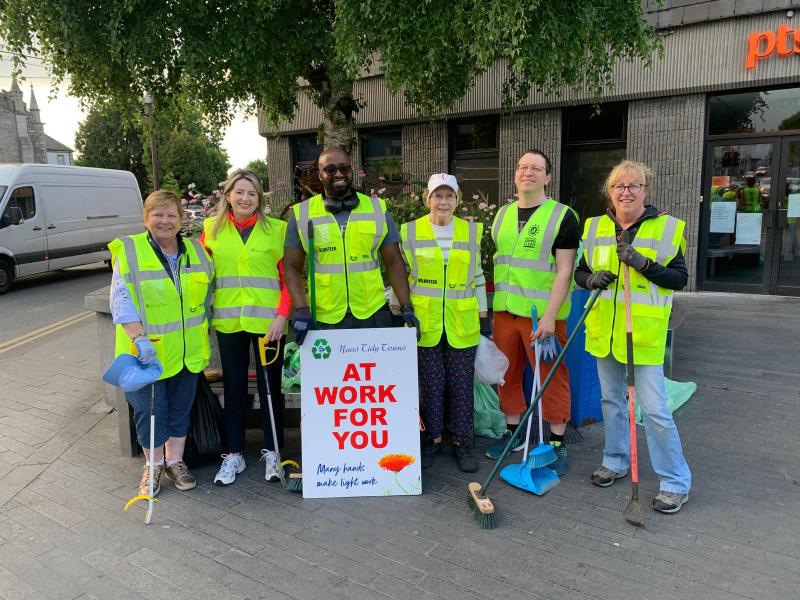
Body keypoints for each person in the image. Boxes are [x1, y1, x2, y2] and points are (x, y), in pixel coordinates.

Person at [575, 159, 692, 514]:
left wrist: (643, 264)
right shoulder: (594, 227)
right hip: (605, 334)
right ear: (609, 192)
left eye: (633, 185)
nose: (626, 192)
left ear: (645, 190)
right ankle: (614, 460)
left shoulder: (667, 228)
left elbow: (679, 279)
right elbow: (580, 272)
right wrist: (591, 280)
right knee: (611, 403)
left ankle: (674, 482)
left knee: (655, 410)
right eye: (619, 186)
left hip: (643, 335)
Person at [109, 190, 214, 497]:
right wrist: (138, 337)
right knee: (150, 411)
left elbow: (208, 297)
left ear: (181, 220)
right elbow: (121, 298)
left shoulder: (197, 252)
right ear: (146, 218)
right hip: (147, 353)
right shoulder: (130, 251)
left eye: (171, 215)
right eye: (158, 214)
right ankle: (153, 466)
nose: (165, 221)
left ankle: (176, 462)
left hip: (187, 351)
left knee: (180, 410)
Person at [484, 149, 579, 476]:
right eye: (523, 167)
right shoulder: (501, 216)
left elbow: (565, 271)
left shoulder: (562, 216)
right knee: (506, 374)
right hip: (506, 313)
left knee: (551, 375)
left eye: (536, 168)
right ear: (515, 174)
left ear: (547, 177)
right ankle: (513, 433)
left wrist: (552, 316)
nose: (528, 172)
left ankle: (555, 440)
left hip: (543, 317)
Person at [200, 170, 292, 486]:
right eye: (239, 192)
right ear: (228, 195)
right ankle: (234, 454)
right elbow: (201, 276)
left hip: (269, 324)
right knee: (235, 390)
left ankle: (273, 451)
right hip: (228, 323)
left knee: (270, 389)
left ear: (260, 198)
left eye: (252, 193)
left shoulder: (277, 230)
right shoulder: (210, 230)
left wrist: (282, 316)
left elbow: (288, 278)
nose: (245, 198)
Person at [394, 173, 488, 473]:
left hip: (462, 323)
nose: (443, 201)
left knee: (461, 386)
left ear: (457, 200)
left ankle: (463, 444)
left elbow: (477, 277)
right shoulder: (409, 231)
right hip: (425, 322)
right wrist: (401, 310)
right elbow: (400, 275)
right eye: (437, 195)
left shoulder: (471, 232)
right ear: (427, 200)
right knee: (432, 386)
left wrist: (484, 318)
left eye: (449, 196)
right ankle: (432, 441)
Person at [283, 147, 418, 340]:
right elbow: (291, 267)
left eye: (344, 168)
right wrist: (301, 308)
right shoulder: (301, 214)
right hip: (325, 316)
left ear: (351, 171)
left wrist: (406, 306)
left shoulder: (377, 209)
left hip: (372, 312)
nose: (338, 174)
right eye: (330, 169)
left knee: (375, 370)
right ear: (320, 175)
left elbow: (394, 262)